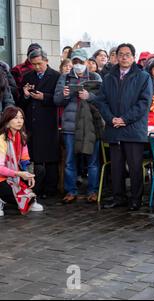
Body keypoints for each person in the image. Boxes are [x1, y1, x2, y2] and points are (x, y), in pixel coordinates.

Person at [96, 43, 153, 211]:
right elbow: (101, 100)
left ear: (133, 58)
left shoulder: (143, 77)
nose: (124, 57)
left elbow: (144, 103)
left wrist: (125, 119)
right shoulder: (108, 77)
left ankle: (136, 199)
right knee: (116, 166)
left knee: (135, 166)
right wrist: (111, 118)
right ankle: (118, 197)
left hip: (133, 129)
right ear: (116, 57)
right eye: (121, 54)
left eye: (127, 54)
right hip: (114, 127)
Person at [54, 49, 103, 204]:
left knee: (92, 160)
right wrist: (65, 94)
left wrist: (90, 96)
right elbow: (56, 100)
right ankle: (71, 191)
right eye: (74, 62)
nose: (77, 65)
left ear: (87, 62)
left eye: (80, 62)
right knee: (69, 160)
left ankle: (93, 191)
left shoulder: (95, 77)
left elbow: (103, 100)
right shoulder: (64, 77)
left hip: (90, 125)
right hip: (70, 125)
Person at [19, 49, 60, 199]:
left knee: (50, 158)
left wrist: (45, 97)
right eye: (34, 65)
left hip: (48, 122)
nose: (37, 67)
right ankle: (37, 188)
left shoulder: (55, 76)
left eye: (39, 64)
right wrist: (25, 94)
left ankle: (51, 189)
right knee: (35, 158)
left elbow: (59, 99)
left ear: (46, 61)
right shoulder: (27, 76)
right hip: (32, 123)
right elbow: (20, 103)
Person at [0, 107, 45, 216]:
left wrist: (29, 175)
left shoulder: (22, 137)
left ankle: (31, 199)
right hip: (2, 177)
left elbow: (25, 160)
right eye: (16, 118)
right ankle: (2, 200)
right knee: (5, 188)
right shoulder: (2, 139)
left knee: (39, 170)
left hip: (15, 174)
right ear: (7, 121)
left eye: (21, 118)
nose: (19, 121)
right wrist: (19, 173)